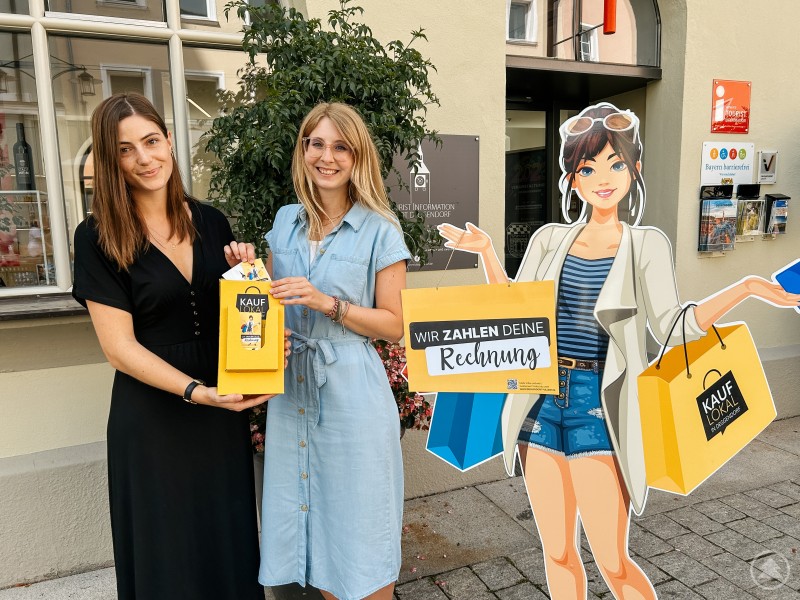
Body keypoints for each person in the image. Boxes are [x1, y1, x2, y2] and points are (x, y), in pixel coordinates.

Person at [439, 102, 799, 600]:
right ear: (572, 179)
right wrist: (486, 253)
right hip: (540, 404)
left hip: (601, 406)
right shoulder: (548, 239)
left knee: (612, 560)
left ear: (634, 169)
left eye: (614, 164)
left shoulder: (646, 245)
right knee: (557, 553)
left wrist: (746, 287)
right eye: (587, 168)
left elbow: (673, 327)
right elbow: (514, 314)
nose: (602, 178)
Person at [72, 92, 289, 600]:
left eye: (151, 141)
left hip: (220, 412)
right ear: (110, 161)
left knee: (226, 542)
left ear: (169, 141)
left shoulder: (212, 221)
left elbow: (239, 315)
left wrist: (250, 277)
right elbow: (119, 348)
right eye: (125, 149)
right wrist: (196, 391)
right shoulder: (97, 236)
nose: (144, 158)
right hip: (153, 418)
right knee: (166, 554)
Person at [259, 102, 411, 600]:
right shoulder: (285, 222)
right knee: (318, 541)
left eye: (340, 146)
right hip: (291, 394)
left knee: (361, 539)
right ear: (303, 150)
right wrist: (246, 271)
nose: (327, 157)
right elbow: (268, 302)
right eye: (317, 144)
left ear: (357, 156)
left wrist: (328, 303)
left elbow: (395, 325)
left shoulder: (380, 228)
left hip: (351, 393)